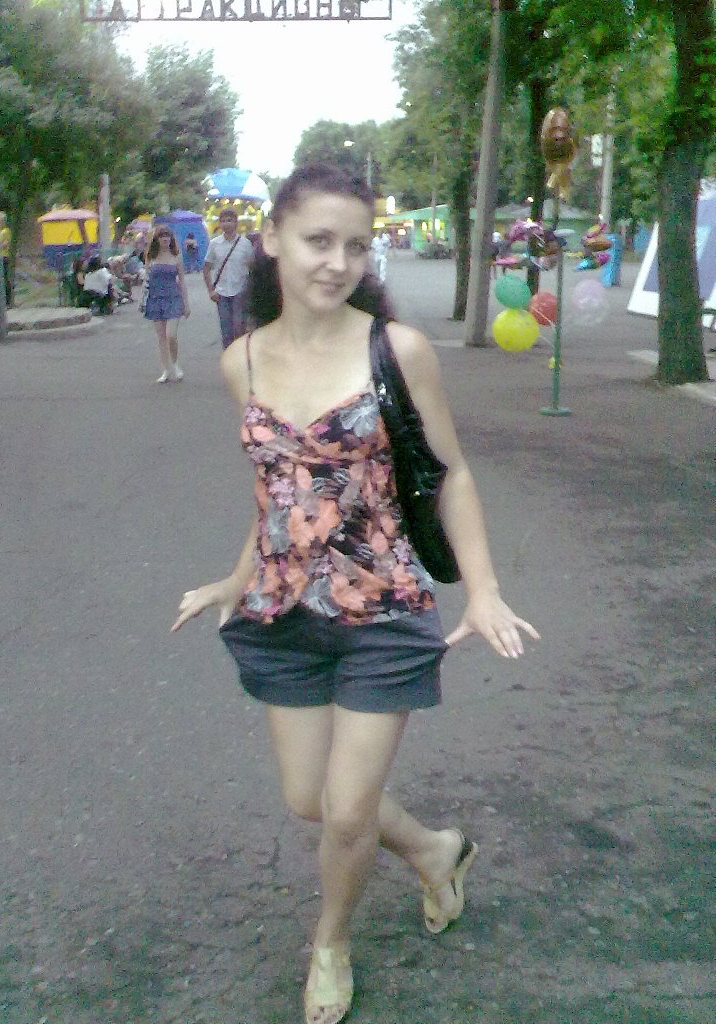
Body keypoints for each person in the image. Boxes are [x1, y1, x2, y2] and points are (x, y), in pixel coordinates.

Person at [171, 164, 540, 1024]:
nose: (337, 262)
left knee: (345, 815)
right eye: (318, 240)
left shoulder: (397, 350)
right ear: (272, 240)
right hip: (281, 613)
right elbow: (280, 492)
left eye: (355, 245)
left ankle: (330, 945)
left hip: (383, 610)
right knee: (311, 800)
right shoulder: (239, 361)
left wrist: (483, 591)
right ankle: (436, 850)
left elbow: (450, 474)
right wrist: (234, 577)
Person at [144, 224, 190, 383]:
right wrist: (143, 301)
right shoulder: (151, 257)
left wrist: (186, 303)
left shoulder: (176, 256)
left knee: (171, 335)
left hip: (173, 297)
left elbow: (182, 281)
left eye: (167, 236)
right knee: (161, 337)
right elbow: (146, 280)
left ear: (171, 239)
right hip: (155, 298)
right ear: (156, 239)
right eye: (162, 236)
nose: (165, 239)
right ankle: (166, 369)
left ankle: (175, 364)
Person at [203, 207, 254, 349]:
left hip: (240, 291)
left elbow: (252, 268)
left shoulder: (245, 244)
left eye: (229, 220)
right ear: (219, 224)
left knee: (239, 327)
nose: (226, 224)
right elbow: (206, 268)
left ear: (236, 223)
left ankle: (241, 355)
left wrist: (251, 290)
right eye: (223, 221)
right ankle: (228, 356)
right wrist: (210, 290)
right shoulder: (215, 244)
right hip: (221, 292)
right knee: (226, 331)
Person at [0, 212, 12, 306]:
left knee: (4, 278)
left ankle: (7, 301)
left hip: (4, 256)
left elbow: (6, 243)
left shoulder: (5, 231)